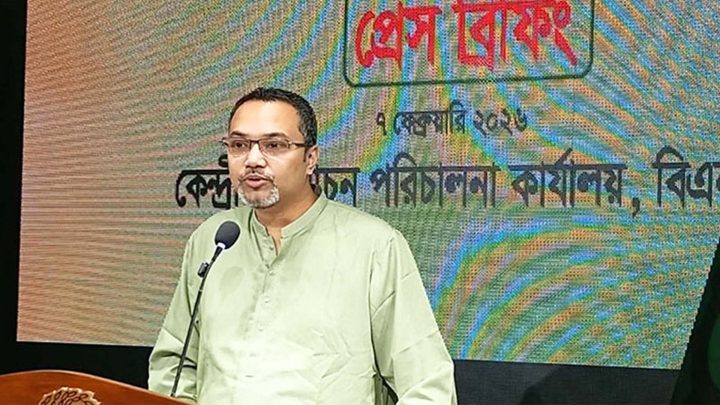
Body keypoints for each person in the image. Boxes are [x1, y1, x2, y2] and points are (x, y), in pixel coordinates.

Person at [148, 87, 457, 404]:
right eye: (239, 145)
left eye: (274, 145)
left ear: (310, 159)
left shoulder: (374, 246)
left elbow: (427, 386)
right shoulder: (213, 239)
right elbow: (174, 365)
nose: (253, 160)